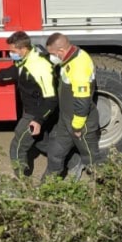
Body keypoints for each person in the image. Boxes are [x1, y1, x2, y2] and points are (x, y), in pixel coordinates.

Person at [0, 31, 58, 178]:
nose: (11, 54)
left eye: (13, 51)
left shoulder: (39, 67)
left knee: (17, 147)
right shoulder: (26, 58)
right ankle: (72, 160)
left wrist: (38, 120)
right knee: (41, 143)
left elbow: (51, 99)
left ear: (23, 49)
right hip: (31, 109)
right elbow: (17, 70)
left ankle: (21, 182)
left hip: (35, 113)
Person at [40, 32, 102, 181]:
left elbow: (82, 100)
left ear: (61, 51)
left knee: (92, 160)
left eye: (53, 54)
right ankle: (46, 188)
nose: (52, 57)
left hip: (81, 123)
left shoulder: (79, 65)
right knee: (55, 153)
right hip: (66, 120)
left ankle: (105, 189)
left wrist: (77, 127)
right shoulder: (68, 58)